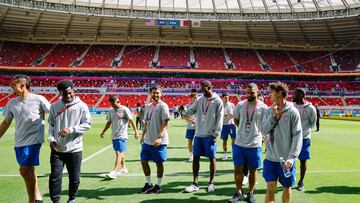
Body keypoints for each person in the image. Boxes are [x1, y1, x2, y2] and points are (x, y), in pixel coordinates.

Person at [0, 74, 50, 203]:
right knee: (29, 170)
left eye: (13, 85)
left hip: (34, 140)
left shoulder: (39, 99)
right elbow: (6, 122)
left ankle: (31, 200)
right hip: (19, 141)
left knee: (23, 170)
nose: (11, 87)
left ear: (22, 86)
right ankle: (38, 198)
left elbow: (53, 114)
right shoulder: (12, 102)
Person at [48, 80, 92, 203]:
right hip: (57, 149)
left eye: (69, 92)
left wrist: (71, 129)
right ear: (60, 93)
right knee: (55, 177)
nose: (68, 96)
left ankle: (72, 199)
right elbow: (51, 124)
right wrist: (51, 139)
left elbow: (88, 124)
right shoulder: (54, 106)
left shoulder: (82, 106)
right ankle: (55, 201)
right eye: (64, 94)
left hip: (75, 148)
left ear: (73, 90)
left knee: (74, 177)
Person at [262, 81, 302, 203]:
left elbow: (297, 135)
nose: (270, 95)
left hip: (286, 160)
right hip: (270, 158)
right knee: (270, 187)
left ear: (279, 93)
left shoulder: (292, 112)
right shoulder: (269, 111)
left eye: (272, 92)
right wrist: (272, 116)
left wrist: (292, 157)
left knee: (286, 188)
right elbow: (264, 130)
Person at [228, 83, 268, 203]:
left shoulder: (264, 107)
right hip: (240, 142)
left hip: (255, 143)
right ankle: (238, 192)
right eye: (247, 92)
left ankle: (250, 193)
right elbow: (236, 119)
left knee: (253, 170)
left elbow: (266, 125)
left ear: (257, 92)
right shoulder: (240, 105)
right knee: (238, 168)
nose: (249, 95)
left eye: (252, 93)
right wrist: (243, 129)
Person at [183, 80, 224, 193]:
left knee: (212, 158)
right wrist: (184, 110)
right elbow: (191, 110)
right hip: (199, 134)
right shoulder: (200, 99)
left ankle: (211, 182)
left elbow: (220, 118)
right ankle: (195, 183)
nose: (201, 89)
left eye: (203, 87)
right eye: (201, 87)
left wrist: (217, 133)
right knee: (196, 158)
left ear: (209, 87)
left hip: (210, 134)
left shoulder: (217, 101)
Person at [139, 85, 170, 194]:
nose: (156, 95)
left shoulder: (163, 106)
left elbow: (165, 123)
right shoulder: (148, 106)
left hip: (159, 141)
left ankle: (158, 185)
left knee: (158, 163)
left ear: (161, 94)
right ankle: (148, 183)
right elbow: (146, 123)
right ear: (150, 94)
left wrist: (159, 137)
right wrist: (143, 136)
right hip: (148, 140)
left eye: (158, 93)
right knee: (143, 161)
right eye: (154, 93)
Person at [100, 96, 139, 179]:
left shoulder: (125, 109)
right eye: (111, 104)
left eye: (113, 104)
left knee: (118, 152)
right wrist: (103, 131)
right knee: (119, 152)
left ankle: (114, 172)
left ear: (118, 101)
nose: (112, 106)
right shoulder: (111, 111)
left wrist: (136, 131)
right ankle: (124, 168)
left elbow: (131, 120)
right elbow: (109, 122)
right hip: (114, 135)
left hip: (121, 135)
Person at [292, 88, 317, 192]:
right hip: (291, 138)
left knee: (303, 161)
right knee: (290, 160)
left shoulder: (311, 108)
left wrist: (303, 130)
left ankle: (301, 181)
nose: (292, 96)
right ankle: (289, 179)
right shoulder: (291, 106)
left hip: (304, 138)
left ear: (301, 95)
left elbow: (313, 123)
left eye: (295, 94)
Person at [180, 90, 198, 162]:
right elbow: (183, 116)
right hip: (190, 127)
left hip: (199, 127)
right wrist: (191, 120)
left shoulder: (201, 106)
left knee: (197, 142)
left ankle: (196, 155)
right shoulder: (187, 106)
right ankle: (191, 156)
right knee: (190, 141)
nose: (196, 98)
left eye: (197, 97)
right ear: (192, 98)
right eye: (195, 97)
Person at [220, 93, 236, 160]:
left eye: (228, 98)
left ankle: (233, 153)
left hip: (231, 124)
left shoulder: (231, 105)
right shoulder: (220, 105)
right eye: (225, 98)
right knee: (224, 140)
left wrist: (232, 114)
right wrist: (223, 114)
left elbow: (235, 114)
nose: (227, 99)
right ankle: (225, 154)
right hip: (224, 125)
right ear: (222, 98)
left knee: (234, 139)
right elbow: (217, 115)